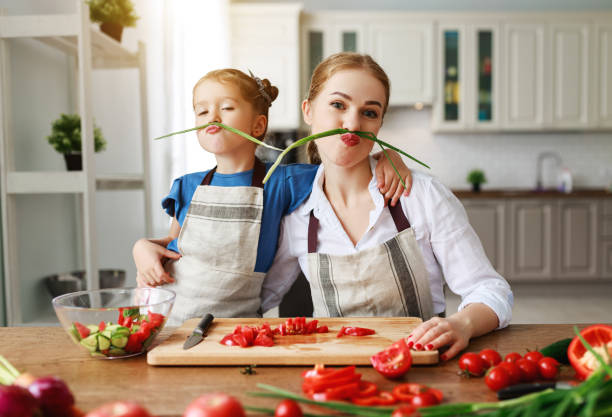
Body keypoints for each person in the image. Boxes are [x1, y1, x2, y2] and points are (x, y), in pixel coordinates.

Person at [261, 52, 513, 360]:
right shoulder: (298, 213)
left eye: (369, 112)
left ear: (379, 123)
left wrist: (462, 324)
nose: (352, 123)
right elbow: (259, 296)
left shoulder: (422, 196)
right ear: (308, 110)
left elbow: (490, 290)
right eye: (338, 105)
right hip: (334, 375)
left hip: (419, 370)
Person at [132, 68, 414, 325]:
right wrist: (142, 248)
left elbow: (345, 164)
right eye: (202, 112)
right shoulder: (186, 185)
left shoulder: (283, 181)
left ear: (258, 126)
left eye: (227, 108)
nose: (213, 118)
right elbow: (172, 246)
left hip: (233, 327)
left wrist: (387, 156)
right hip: (165, 316)